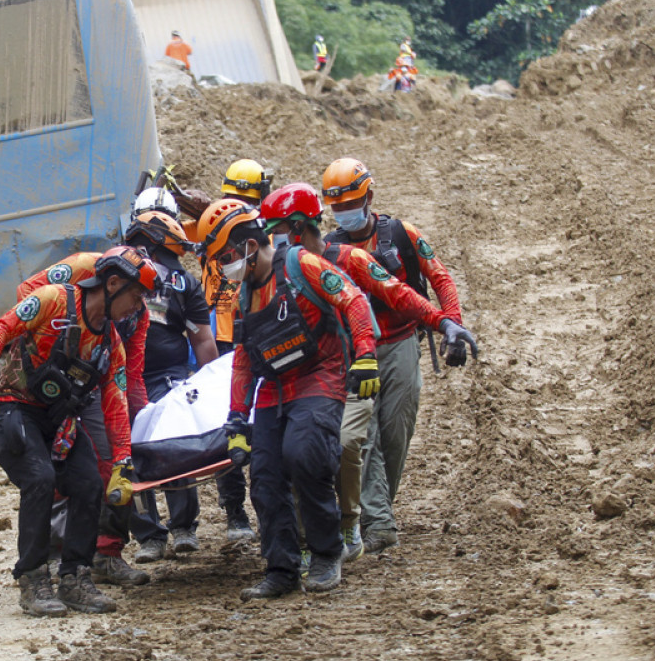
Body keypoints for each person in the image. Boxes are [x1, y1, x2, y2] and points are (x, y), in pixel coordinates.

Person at [261, 183, 476, 563]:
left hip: (378, 352)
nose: (272, 240)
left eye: (275, 230)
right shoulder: (276, 272)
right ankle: (339, 529)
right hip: (320, 371)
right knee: (325, 448)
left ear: (295, 227)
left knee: (376, 438)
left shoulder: (352, 257)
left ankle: (360, 520)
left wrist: (446, 323)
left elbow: (398, 293)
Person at [196, 199, 379, 600]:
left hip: (319, 375)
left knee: (304, 453)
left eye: (226, 256)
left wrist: (365, 355)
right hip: (274, 388)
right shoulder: (245, 293)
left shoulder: (301, 264)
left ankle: (327, 553)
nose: (224, 266)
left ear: (248, 245)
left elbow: (352, 299)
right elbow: (243, 360)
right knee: (263, 476)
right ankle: (281, 568)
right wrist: (236, 418)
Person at [0, 247, 159, 617]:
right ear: (113, 283)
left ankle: (76, 577)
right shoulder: (54, 300)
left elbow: (115, 402)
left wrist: (121, 463)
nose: (138, 306)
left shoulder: (110, 343)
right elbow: (2, 326)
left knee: (88, 484)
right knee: (40, 478)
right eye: (136, 296)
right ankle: (33, 578)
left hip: (60, 420)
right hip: (14, 408)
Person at [321, 158, 475, 555]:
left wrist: (451, 327)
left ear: (369, 197)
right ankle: (378, 521)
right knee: (362, 437)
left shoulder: (403, 235)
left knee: (395, 431)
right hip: (357, 350)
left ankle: (379, 509)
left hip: (403, 341)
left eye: (350, 203)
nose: (344, 213)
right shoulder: (331, 249)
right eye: (336, 208)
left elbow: (439, 277)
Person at [15, 248, 152, 587]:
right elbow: (26, 296)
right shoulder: (82, 268)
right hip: (52, 379)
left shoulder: (139, 314)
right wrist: (57, 347)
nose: (136, 304)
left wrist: (143, 417)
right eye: (135, 294)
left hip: (95, 384)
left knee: (114, 464)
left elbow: (131, 373)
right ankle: (54, 556)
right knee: (54, 470)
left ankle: (107, 554)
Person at [119, 211, 219, 561]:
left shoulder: (185, 283)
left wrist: (212, 385)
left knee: (175, 445)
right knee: (125, 453)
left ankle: (183, 527)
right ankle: (149, 535)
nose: (166, 266)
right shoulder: (112, 271)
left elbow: (203, 339)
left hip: (168, 376)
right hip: (119, 379)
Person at [192, 159, 272, 543]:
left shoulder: (248, 232)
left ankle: (247, 509)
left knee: (241, 423)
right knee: (239, 424)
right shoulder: (225, 225)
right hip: (228, 337)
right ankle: (241, 509)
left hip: (237, 336)